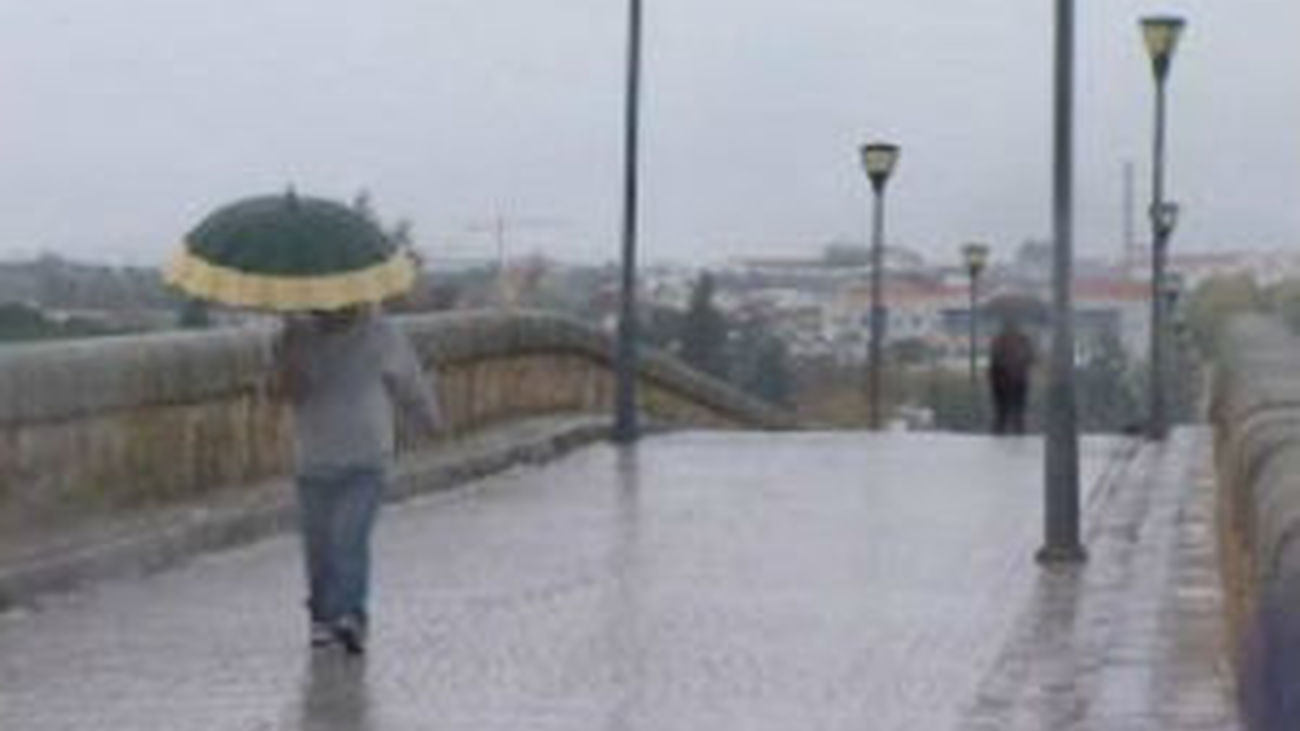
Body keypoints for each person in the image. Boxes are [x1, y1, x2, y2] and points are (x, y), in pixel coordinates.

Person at [273, 305, 443, 654]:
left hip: (366, 456)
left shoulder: (381, 332)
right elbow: (284, 392)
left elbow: (408, 381)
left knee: (348, 538)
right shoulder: (296, 336)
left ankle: (351, 615)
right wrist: (289, 346)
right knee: (319, 546)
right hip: (315, 458)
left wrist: (428, 419)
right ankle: (322, 617)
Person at [988, 320, 1036, 435]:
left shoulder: (1000, 341)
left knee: (1005, 411)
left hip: (1005, 380)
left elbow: (994, 360)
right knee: (1011, 411)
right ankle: (1013, 432)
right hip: (1010, 380)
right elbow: (1031, 358)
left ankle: (1003, 432)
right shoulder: (1022, 341)